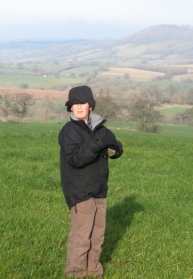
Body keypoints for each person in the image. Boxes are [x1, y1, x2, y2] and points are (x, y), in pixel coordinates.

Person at [58, 85, 123, 278]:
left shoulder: (99, 128)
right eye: (74, 104)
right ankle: (76, 273)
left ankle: (94, 271)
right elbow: (76, 158)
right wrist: (99, 143)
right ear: (70, 108)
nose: (78, 107)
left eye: (82, 103)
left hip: (99, 191)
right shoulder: (69, 131)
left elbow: (114, 145)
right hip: (80, 192)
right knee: (81, 238)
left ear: (90, 106)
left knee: (97, 237)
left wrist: (115, 149)